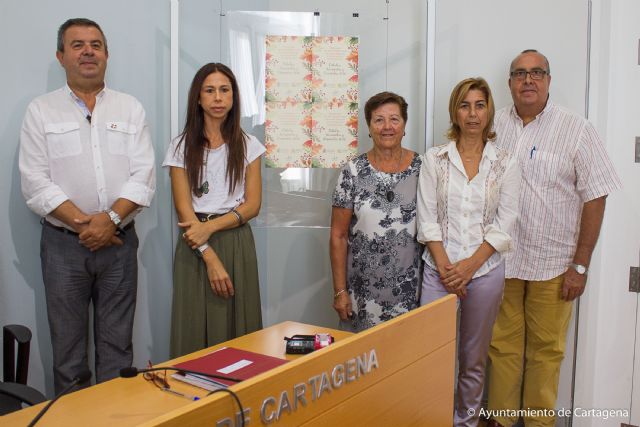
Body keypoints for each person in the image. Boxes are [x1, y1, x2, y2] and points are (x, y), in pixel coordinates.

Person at [19, 18, 155, 393]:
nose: (88, 51)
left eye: (95, 44)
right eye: (77, 45)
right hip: (63, 246)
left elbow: (143, 176)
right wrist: (87, 225)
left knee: (117, 351)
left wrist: (109, 221)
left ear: (107, 54)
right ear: (61, 56)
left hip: (119, 244)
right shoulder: (41, 111)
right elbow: (34, 182)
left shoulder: (130, 108)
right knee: (68, 356)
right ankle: (74, 417)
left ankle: (114, 416)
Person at [487, 50, 621, 427]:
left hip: (555, 265)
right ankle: (500, 420)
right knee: (501, 347)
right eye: (520, 73)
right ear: (510, 82)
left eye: (537, 73)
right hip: (501, 260)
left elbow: (596, 195)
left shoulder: (576, 128)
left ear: (549, 80)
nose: (528, 80)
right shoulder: (493, 126)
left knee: (546, 352)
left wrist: (581, 265)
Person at [417, 78, 520, 427]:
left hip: (485, 272)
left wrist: (469, 268)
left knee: (473, 360)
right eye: (465, 105)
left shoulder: (505, 162)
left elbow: (505, 224)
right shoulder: (435, 159)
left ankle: (466, 422)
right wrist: (448, 269)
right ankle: (434, 420)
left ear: (488, 111)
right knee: (434, 357)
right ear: (455, 112)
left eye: (479, 105)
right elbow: (427, 219)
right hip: (438, 271)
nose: (472, 114)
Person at [163, 63, 264, 358]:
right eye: (209, 90)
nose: (218, 98)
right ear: (198, 98)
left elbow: (252, 206)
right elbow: (184, 211)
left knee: (239, 328)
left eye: (224, 90)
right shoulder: (180, 147)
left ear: (233, 97)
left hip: (236, 242)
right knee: (193, 326)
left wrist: (210, 227)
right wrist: (208, 254)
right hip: (194, 245)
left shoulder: (249, 145)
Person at [330, 91, 422, 332]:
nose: (387, 127)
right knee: (364, 354)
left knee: (410, 352)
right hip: (362, 295)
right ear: (369, 127)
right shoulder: (352, 172)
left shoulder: (423, 169)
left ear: (404, 125)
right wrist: (340, 291)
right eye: (379, 120)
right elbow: (338, 236)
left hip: (412, 293)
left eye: (394, 119)